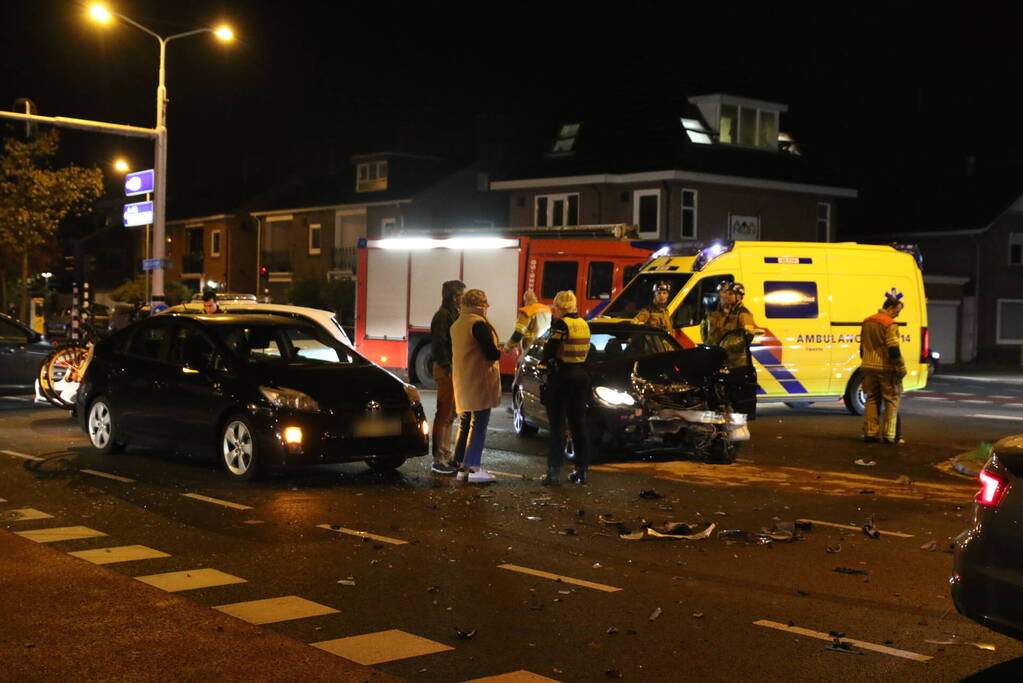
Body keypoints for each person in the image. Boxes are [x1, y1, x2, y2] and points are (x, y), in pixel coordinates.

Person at [540, 290, 592, 485]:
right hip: (581, 377)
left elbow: (549, 351)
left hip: (562, 376)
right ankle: (582, 470)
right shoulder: (584, 324)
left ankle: (553, 472)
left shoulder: (562, 325)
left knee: (558, 426)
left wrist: (546, 362)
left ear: (559, 307)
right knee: (579, 424)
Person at [450, 288, 502, 484]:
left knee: (466, 423)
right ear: (481, 304)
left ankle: (462, 466)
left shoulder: (457, 324)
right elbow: (490, 353)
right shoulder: (478, 324)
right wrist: (500, 351)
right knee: (479, 424)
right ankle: (474, 467)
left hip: (463, 380)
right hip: (479, 380)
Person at [701, 281, 758, 420]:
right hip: (717, 358)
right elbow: (705, 332)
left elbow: (745, 336)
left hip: (736, 362)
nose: (726, 295)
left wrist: (727, 346)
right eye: (725, 293)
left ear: (739, 296)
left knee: (736, 395)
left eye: (730, 293)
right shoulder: (716, 312)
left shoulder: (743, 314)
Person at [429, 280, 465, 474]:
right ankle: (438, 458)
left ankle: (446, 454)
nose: (463, 299)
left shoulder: (452, 314)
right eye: (461, 295)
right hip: (447, 371)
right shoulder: (443, 316)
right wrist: (448, 367)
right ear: (453, 297)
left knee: (450, 414)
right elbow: (439, 345)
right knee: (443, 414)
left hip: (452, 369)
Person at [859, 296, 906, 444]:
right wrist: (900, 366)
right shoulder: (890, 324)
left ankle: (870, 433)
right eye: (897, 311)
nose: (897, 315)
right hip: (886, 368)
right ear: (890, 308)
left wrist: (866, 360)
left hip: (868, 366)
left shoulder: (867, 321)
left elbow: (862, 346)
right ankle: (889, 435)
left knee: (872, 400)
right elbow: (893, 347)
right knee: (891, 400)